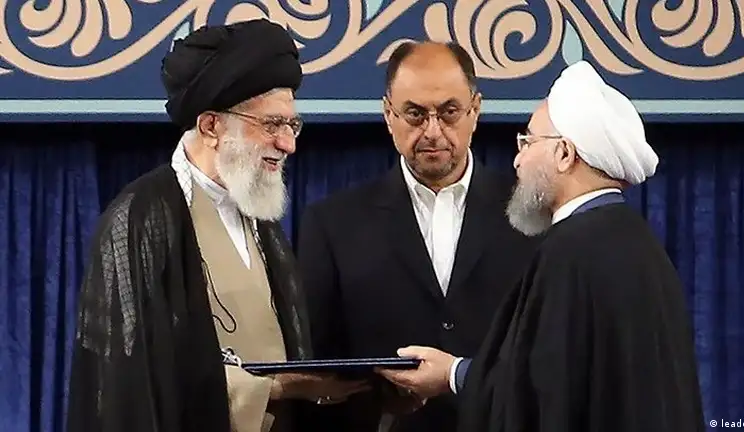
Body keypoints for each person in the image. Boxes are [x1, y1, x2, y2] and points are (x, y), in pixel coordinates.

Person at [66, 19, 368, 432]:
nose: (288, 143)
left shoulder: (260, 223)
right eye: (271, 125)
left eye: (291, 125)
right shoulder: (141, 218)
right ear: (211, 126)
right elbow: (131, 378)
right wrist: (274, 388)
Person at [377, 60, 706, 432]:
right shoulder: (636, 241)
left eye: (528, 141)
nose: (517, 159)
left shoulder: (571, 253)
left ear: (564, 154)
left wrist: (451, 374)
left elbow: (540, 395)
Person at [295, 41, 536, 431]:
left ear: (475, 110)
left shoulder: (533, 215)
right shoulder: (332, 224)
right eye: (415, 114)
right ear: (388, 114)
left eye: (449, 112)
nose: (433, 131)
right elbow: (318, 369)